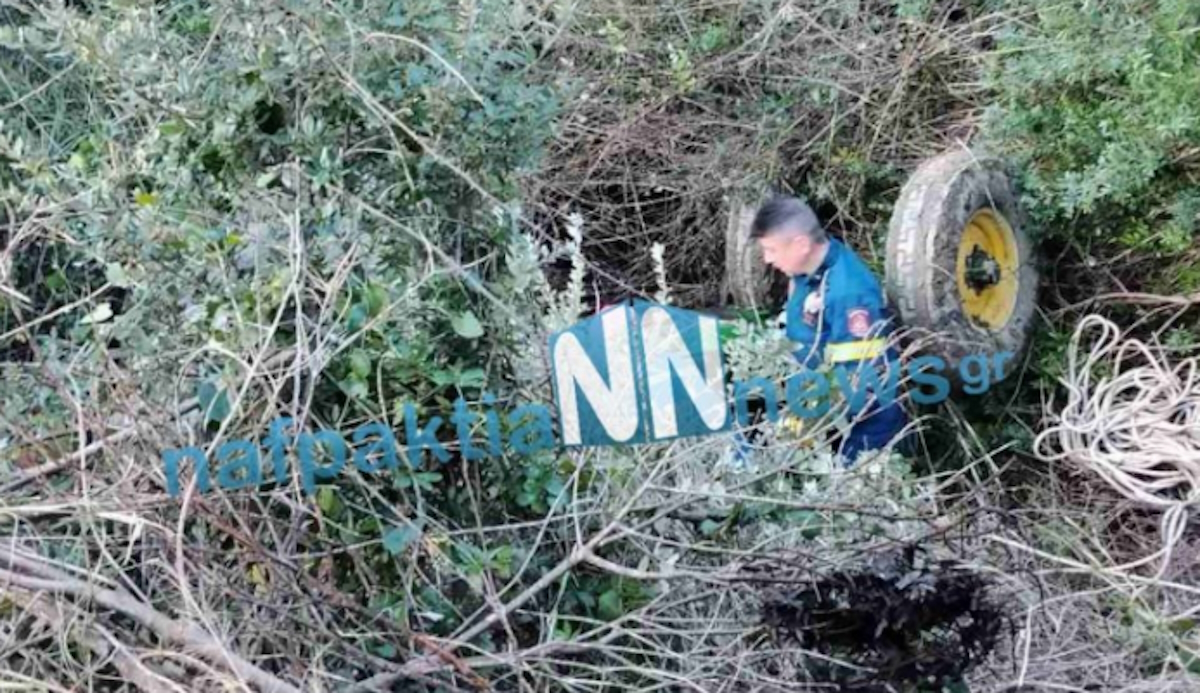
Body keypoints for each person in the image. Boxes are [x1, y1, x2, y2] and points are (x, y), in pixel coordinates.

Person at [750, 196, 909, 464]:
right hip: (822, 411)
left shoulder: (849, 294)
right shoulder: (806, 271)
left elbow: (860, 384)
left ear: (801, 244)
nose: (766, 259)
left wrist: (798, 424)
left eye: (771, 250)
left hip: (864, 433)